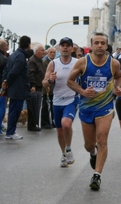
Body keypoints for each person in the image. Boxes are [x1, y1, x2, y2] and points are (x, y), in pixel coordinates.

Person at [67, 32, 121, 190]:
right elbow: (70, 81)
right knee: (88, 144)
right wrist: (82, 91)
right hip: (86, 107)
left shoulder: (114, 64)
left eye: (102, 43)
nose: (99, 46)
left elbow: (119, 77)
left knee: (102, 139)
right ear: (91, 46)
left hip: (105, 107)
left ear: (106, 46)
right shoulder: (82, 62)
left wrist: (118, 87)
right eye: (96, 43)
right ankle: (93, 153)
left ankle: (97, 175)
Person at [43, 37, 78, 167]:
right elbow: (44, 84)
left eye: (67, 45)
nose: (64, 48)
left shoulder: (77, 62)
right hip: (57, 100)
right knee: (59, 131)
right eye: (62, 45)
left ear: (71, 48)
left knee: (66, 124)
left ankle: (68, 149)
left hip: (72, 99)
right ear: (59, 48)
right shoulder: (53, 63)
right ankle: (63, 154)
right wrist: (50, 80)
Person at [2, 35, 32, 140]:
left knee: (12, 110)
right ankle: (11, 132)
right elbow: (15, 71)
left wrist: (5, 81)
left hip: (13, 87)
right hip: (18, 88)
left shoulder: (13, 55)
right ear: (28, 44)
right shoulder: (21, 56)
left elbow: (6, 69)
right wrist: (8, 81)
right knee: (15, 110)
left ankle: (10, 131)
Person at [27, 45, 46, 131]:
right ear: (36, 51)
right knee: (33, 107)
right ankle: (32, 125)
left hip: (40, 86)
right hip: (35, 87)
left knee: (37, 107)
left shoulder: (40, 61)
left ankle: (35, 123)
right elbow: (31, 74)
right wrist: (33, 85)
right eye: (42, 50)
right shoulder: (32, 61)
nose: (44, 52)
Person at [42, 47, 56, 128]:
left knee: (51, 106)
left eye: (54, 52)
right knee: (45, 106)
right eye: (51, 52)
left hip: (53, 88)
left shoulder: (55, 62)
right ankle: (45, 122)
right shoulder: (45, 62)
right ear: (47, 53)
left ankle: (52, 121)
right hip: (46, 87)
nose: (52, 54)